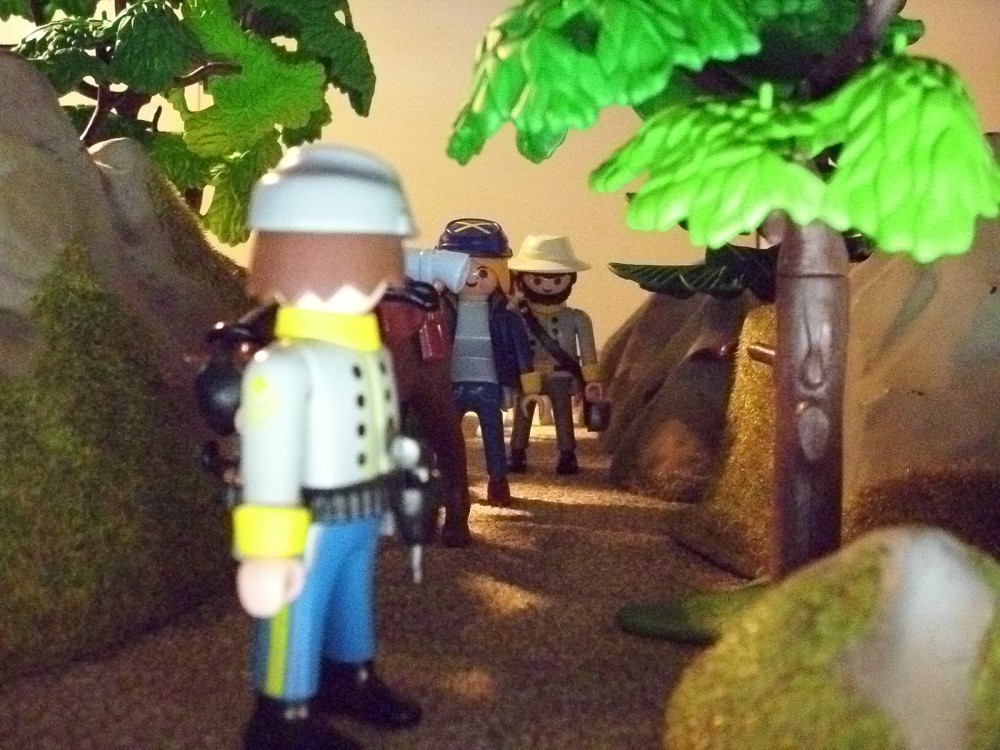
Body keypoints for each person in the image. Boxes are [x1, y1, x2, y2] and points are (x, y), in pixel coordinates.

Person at [233, 144, 424, 750]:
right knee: (296, 608)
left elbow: (379, 427)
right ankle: (281, 713)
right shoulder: (282, 367)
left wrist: (398, 473)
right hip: (306, 520)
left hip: (362, 507)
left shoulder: (370, 353)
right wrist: (266, 552)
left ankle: (349, 676)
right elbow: (267, 465)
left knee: (352, 598)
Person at [437, 218, 539, 505]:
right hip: (452, 385)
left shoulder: (506, 317)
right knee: (446, 440)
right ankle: (448, 484)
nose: (473, 278)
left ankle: (498, 482)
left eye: (483, 271)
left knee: (493, 438)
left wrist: (531, 388)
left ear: (499, 274)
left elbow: (522, 352)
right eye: (463, 271)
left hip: (489, 387)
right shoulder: (440, 312)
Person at [507, 235, 604, 475]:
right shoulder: (517, 316)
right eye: (537, 279)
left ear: (570, 279)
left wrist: (591, 379)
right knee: (523, 412)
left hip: (561, 375)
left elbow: (587, 351)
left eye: (557, 279)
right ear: (522, 280)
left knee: (563, 415)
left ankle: (567, 454)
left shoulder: (577, 318)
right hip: (528, 374)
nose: (547, 286)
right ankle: (517, 452)